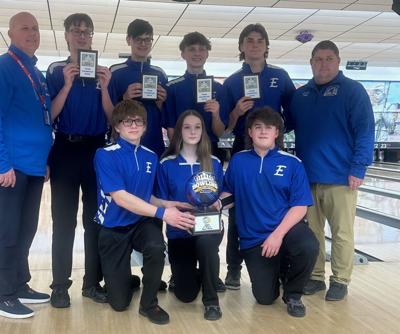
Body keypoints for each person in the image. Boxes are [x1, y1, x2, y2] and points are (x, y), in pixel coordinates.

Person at [286, 40, 375, 301]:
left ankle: (340, 279)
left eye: (328, 59)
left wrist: (358, 168)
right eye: (318, 59)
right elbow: (284, 125)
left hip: (341, 177)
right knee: (312, 233)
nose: (323, 64)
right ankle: (315, 277)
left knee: (341, 232)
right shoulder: (301, 95)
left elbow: (365, 131)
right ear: (311, 63)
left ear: (338, 62)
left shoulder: (353, 91)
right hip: (307, 177)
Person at [94, 100, 195, 325]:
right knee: (119, 304)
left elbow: (145, 196)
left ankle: (149, 304)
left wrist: (168, 204)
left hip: (140, 223)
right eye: (126, 121)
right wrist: (162, 214)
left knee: (156, 246)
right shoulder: (105, 154)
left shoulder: (151, 156)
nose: (133, 125)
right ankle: (125, 280)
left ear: (145, 127)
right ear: (117, 127)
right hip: (113, 228)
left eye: (138, 121)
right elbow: (120, 197)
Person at [221, 107, 318, 317]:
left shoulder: (292, 163)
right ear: (250, 132)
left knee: (308, 245)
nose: (263, 131)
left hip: (285, 230)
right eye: (258, 127)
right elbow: (229, 193)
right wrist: (212, 205)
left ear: (277, 133)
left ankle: (293, 295)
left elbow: (300, 205)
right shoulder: (238, 160)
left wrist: (277, 235)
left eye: (269, 127)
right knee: (265, 298)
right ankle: (280, 269)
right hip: (253, 238)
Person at [46, 13, 113, 308]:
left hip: (97, 151)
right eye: (76, 31)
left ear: (92, 37)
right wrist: (67, 84)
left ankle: (91, 283)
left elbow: (114, 120)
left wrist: (107, 87)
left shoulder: (102, 73)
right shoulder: (56, 69)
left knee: (93, 221)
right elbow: (50, 115)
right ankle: (59, 286)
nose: (81, 36)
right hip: (64, 149)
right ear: (66, 36)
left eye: (87, 32)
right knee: (63, 223)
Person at [222, 23, 295, 289]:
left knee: (280, 207)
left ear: (266, 46)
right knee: (238, 210)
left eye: (259, 40)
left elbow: (293, 115)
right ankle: (232, 269)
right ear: (241, 47)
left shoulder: (281, 76)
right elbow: (225, 129)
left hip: (276, 150)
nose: (254, 45)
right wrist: (236, 114)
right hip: (244, 150)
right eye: (249, 40)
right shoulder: (231, 82)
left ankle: (283, 264)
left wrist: (276, 138)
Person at [0, 12, 53, 319]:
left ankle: (20, 284)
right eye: (24, 28)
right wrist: (3, 163)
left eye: (35, 28)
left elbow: (41, 119)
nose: (32, 33)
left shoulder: (35, 71)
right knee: (7, 232)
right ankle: (4, 294)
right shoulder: (5, 67)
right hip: (12, 168)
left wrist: (44, 161)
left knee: (26, 230)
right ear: (10, 34)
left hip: (33, 167)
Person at [157, 110, 224, 321]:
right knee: (185, 295)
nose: (192, 131)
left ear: (203, 131)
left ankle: (211, 301)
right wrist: (173, 209)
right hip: (179, 233)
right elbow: (158, 200)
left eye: (197, 127)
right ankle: (200, 274)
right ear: (179, 131)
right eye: (187, 127)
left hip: (207, 229)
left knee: (206, 244)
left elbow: (223, 194)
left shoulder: (214, 163)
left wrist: (219, 202)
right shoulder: (166, 164)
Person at [164, 32, 228, 162]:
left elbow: (220, 132)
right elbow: (171, 129)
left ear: (207, 54)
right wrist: (177, 154)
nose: (197, 53)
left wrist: (215, 114)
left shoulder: (218, 89)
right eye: (191, 49)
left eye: (202, 49)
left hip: (211, 151)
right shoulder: (172, 88)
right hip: (181, 151)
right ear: (183, 54)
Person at [108, 19, 168, 158]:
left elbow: (167, 118)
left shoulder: (160, 74)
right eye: (138, 39)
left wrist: (161, 103)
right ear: (129, 40)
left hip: (154, 143)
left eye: (147, 40)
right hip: (123, 144)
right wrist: (124, 99)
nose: (143, 44)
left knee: (153, 180)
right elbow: (108, 114)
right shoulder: (115, 72)